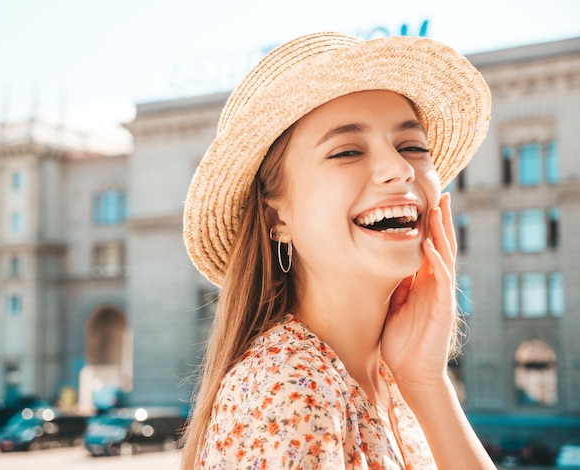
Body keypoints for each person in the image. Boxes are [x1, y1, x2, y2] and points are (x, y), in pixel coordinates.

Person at [181, 31, 495, 469]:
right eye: (347, 151)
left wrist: (426, 381)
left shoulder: (388, 379)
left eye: (413, 147)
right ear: (278, 220)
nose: (399, 168)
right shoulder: (289, 388)